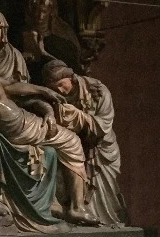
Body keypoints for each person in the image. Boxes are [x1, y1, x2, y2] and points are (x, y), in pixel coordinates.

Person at [0, 66, 100, 228]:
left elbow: (11, 86)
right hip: (19, 128)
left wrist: (44, 91)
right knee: (72, 142)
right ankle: (77, 207)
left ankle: (59, 201)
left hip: (25, 121)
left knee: (66, 142)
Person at [42, 59, 126, 227]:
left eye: (61, 85)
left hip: (100, 147)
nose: (59, 90)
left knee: (104, 189)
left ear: (71, 78)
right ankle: (77, 213)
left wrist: (78, 116)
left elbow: (104, 124)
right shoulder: (55, 96)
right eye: (54, 88)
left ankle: (108, 220)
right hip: (74, 147)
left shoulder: (97, 91)